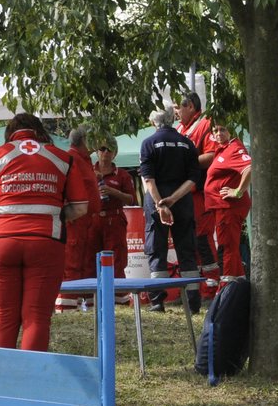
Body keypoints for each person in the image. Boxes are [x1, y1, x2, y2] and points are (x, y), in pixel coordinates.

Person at [0, 113, 88, 351]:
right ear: (39, 131)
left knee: (4, 316)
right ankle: (31, 381)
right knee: (37, 317)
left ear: (9, 133)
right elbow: (81, 207)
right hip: (46, 244)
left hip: (2, 244)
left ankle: (2, 378)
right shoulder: (62, 159)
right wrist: (56, 215)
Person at [138, 107, 202, 313]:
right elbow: (193, 178)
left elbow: (148, 179)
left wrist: (161, 204)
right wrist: (173, 199)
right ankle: (193, 302)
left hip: (157, 198)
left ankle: (157, 300)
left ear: (152, 122)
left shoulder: (148, 143)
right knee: (187, 248)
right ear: (172, 119)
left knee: (156, 248)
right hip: (182, 200)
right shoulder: (187, 143)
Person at [175, 90, 221, 294]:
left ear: (191, 107)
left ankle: (212, 285)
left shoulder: (205, 124)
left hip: (200, 193)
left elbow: (211, 155)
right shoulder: (178, 129)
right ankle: (193, 287)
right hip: (182, 194)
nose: (175, 111)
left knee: (202, 238)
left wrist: (184, 164)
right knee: (187, 240)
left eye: (178, 107)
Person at [58, 124, 105, 306]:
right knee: (72, 262)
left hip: (86, 222)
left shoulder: (84, 160)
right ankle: (66, 304)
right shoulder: (71, 158)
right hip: (75, 221)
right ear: (84, 140)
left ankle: (78, 302)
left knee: (84, 263)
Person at [203, 119, 253, 282]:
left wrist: (238, 191)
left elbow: (249, 167)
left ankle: (226, 288)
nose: (218, 133)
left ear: (230, 131)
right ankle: (238, 284)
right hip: (222, 207)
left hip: (228, 207)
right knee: (230, 247)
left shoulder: (234, 148)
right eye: (215, 131)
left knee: (226, 247)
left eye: (222, 130)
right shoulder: (222, 149)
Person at [93, 133, 137, 281]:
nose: (105, 152)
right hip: (93, 220)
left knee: (116, 259)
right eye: (102, 149)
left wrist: (113, 192)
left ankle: (119, 296)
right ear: (96, 151)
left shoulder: (122, 175)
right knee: (90, 259)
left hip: (114, 219)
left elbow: (131, 200)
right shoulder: (89, 172)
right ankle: (92, 296)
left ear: (115, 153)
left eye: (109, 149)